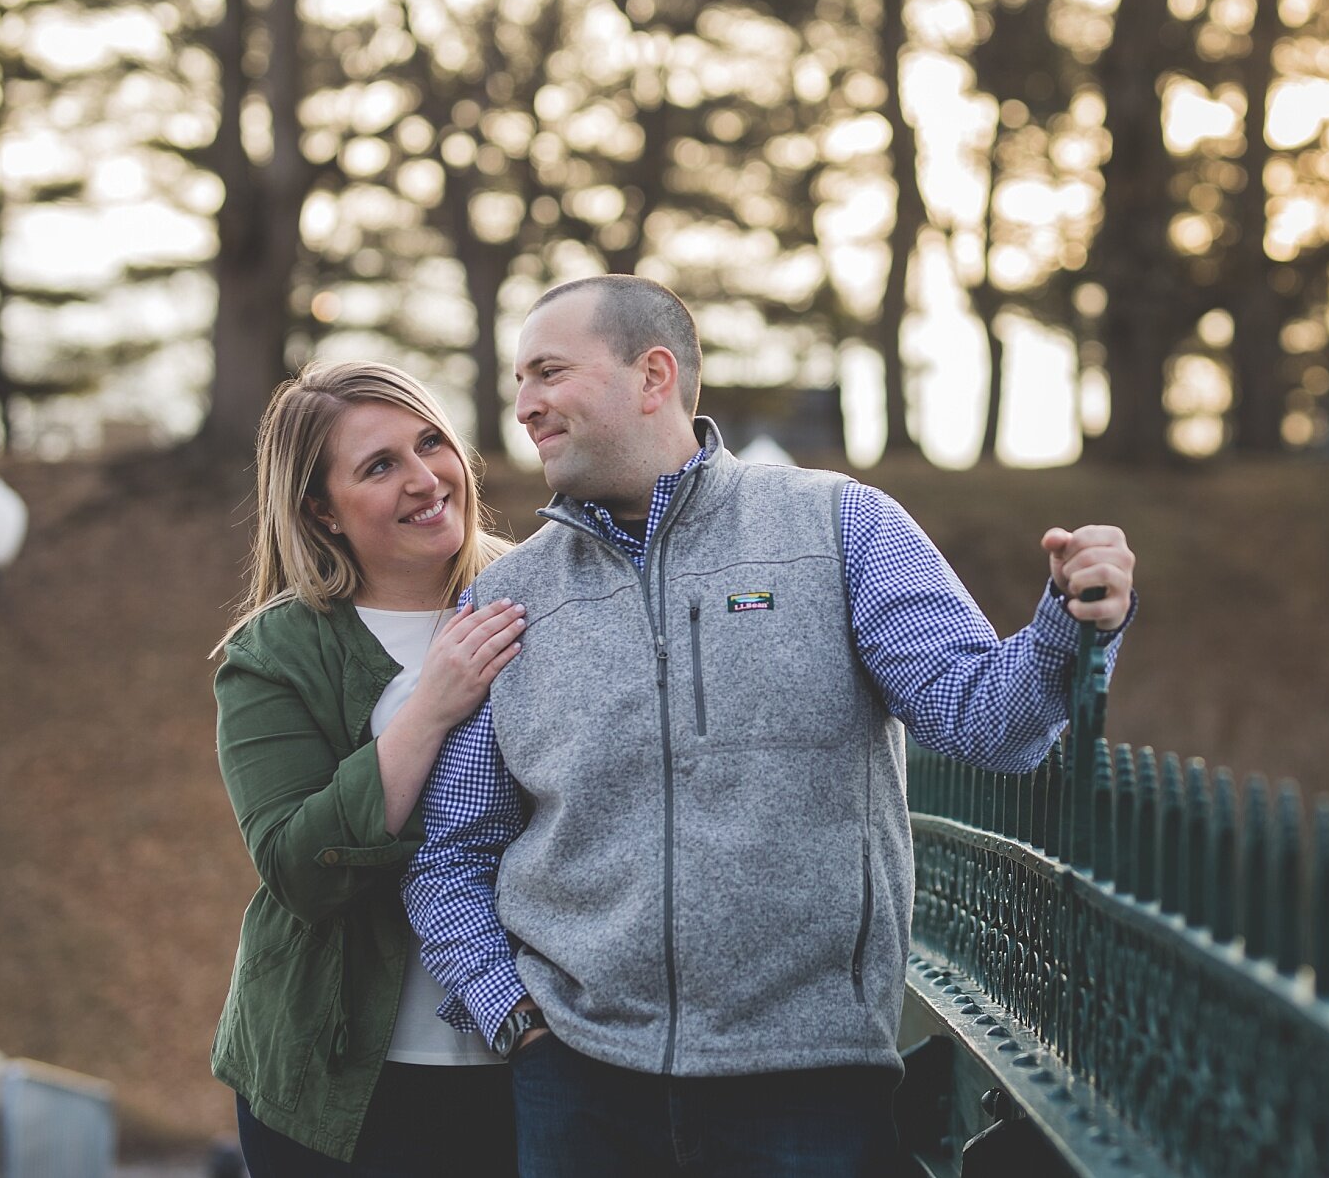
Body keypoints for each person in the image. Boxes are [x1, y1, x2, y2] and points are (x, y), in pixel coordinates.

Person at [405, 276, 1137, 1177]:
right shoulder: (509, 598)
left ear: (654, 375)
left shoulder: (841, 527)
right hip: (581, 1087)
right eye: (519, 381)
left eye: (549, 372)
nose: (524, 405)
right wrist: (517, 1022)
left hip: (808, 1085)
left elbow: (987, 721)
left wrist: (1070, 615)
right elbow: (451, 850)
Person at [210, 361, 529, 1176]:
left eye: (431, 443)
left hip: (538, 1058)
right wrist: (431, 706)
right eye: (380, 465)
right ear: (321, 508)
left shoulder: (544, 593)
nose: (426, 480)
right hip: (337, 1088)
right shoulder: (272, 654)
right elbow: (296, 867)